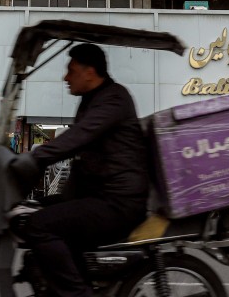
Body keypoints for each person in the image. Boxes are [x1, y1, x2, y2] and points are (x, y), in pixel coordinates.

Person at [11, 44, 149, 297]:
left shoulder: (113, 99)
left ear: (90, 72)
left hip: (118, 202)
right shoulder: (93, 99)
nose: (65, 77)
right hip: (100, 196)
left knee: (38, 225)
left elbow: (77, 138)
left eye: (71, 71)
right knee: (34, 212)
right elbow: (78, 150)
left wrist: (32, 158)